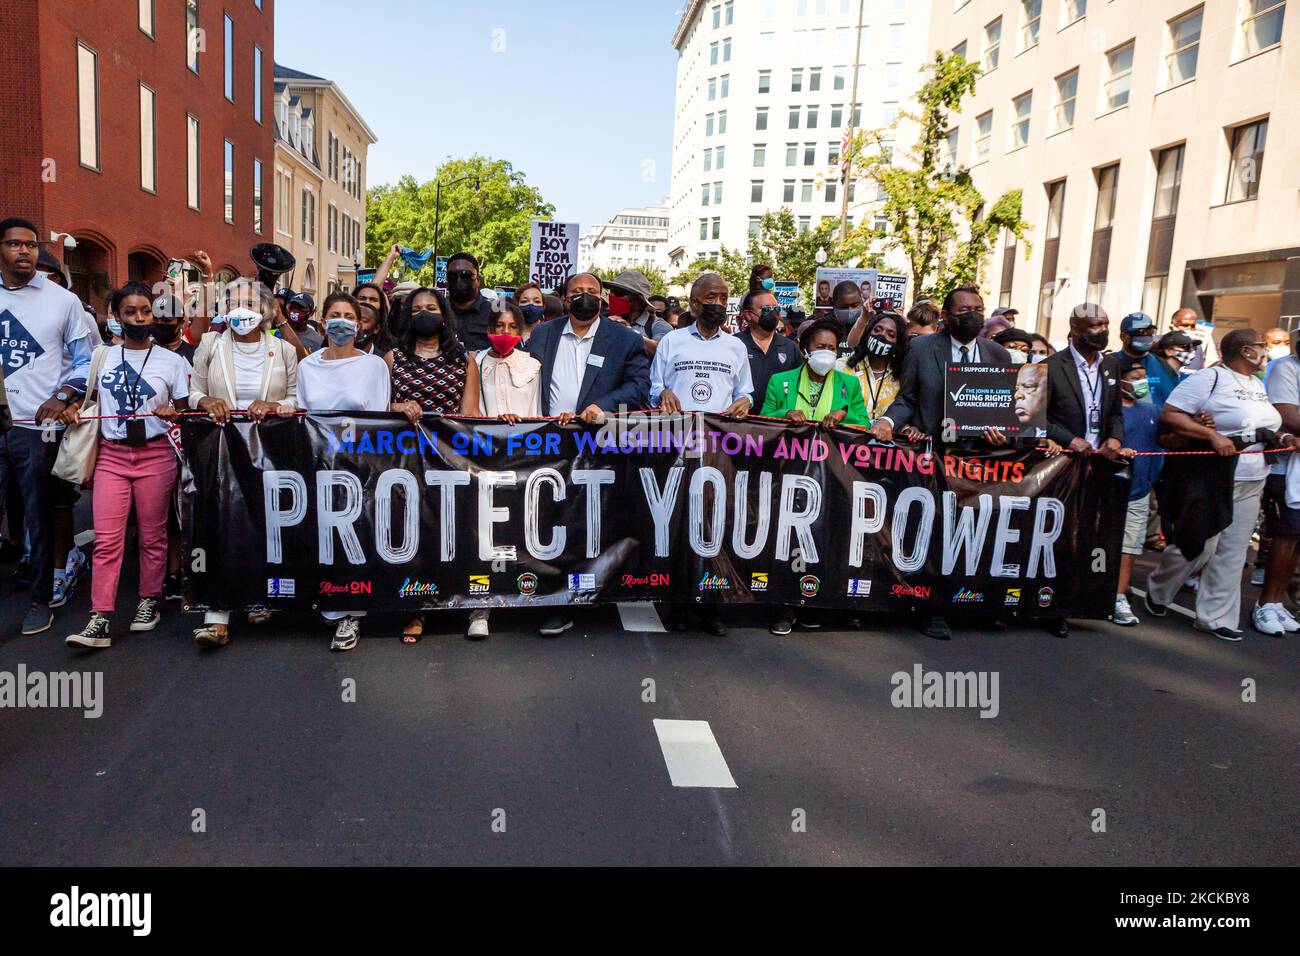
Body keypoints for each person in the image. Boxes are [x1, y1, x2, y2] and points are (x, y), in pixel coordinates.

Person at [869, 285, 1013, 641]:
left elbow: (1005, 411)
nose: (973, 315)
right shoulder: (922, 348)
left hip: (978, 462)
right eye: (964, 310)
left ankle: (977, 605)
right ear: (946, 316)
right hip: (933, 459)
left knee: (977, 534)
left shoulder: (998, 355)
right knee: (934, 533)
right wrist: (888, 422)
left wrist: (1003, 434)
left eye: (978, 308)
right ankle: (931, 609)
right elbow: (908, 398)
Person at [62, 283, 191, 649]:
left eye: (145, 312)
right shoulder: (102, 358)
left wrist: (173, 413)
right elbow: (87, 400)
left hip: (156, 456)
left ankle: (148, 601)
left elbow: (184, 413)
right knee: (106, 540)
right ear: (115, 316)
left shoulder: (172, 362)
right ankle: (99, 616)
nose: (139, 319)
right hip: (112, 456)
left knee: (153, 535)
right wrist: (73, 409)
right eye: (130, 312)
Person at [522, 272, 650, 638]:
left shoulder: (624, 339)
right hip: (547, 444)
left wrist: (603, 407)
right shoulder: (543, 335)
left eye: (591, 292)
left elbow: (638, 387)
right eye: (577, 292)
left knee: (587, 522)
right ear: (564, 299)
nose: (584, 297)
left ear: (602, 299)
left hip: (597, 447)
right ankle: (548, 594)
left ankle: (577, 598)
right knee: (546, 521)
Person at [1146, 330, 1288, 641]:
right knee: (1200, 542)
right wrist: (1212, 435)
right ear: (1245, 350)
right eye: (1262, 347)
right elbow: (1171, 414)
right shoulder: (1209, 378)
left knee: (1234, 551)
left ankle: (1215, 617)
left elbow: (1261, 424)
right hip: (1213, 475)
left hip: (1252, 476)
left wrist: (1282, 438)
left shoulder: (1256, 383)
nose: (1266, 352)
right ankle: (1159, 589)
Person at [188, 279, 299, 648]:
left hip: (271, 448)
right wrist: (206, 403)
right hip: (221, 448)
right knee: (221, 522)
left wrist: (273, 407)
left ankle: (258, 597)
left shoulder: (283, 350)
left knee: (264, 522)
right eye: (233, 301)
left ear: (267, 309)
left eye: (249, 301)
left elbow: (298, 399)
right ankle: (216, 616)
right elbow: (194, 391)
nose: (241, 308)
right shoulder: (210, 345)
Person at [0, 217, 93, 636]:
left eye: (31, 245)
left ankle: (40, 600)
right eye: (15, 244)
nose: (25, 251)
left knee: (38, 516)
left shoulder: (62, 301)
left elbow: (87, 361)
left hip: (34, 428)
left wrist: (63, 397)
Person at [650, 273, 751, 638]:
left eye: (724, 298)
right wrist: (662, 395)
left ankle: (712, 604)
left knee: (714, 523)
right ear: (694, 303)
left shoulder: (736, 347)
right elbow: (655, 387)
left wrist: (745, 401)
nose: (719, 304)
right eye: (712, 297)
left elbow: (746, 392)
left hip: (719, 448)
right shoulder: (672, 341)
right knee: (679, 521)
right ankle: (678, 602)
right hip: (677, 444)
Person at [298, 293, 393, 652]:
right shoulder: (308, 367)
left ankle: (353, 612)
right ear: (322, 322)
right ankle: (329, 602)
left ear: (359, 324)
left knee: (355, 532)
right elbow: (303, 413)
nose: (341, 321)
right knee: (325, 534)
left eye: (348, 316)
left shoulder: (374, 367)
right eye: (334, 315)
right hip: (319, 462)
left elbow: (380, 416)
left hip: (359, 464)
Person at [387, 288, 482, 641]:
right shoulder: (393, 358)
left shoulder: (464, 360)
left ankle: (456, 600)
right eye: (416, 309)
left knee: (451, 530)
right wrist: (397, 408)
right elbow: (380, 408)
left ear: (444, 314)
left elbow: (469, 413)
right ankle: (417, 608)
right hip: (404, 460)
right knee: (412, 532)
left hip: (449, 458)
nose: (423, 313)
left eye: (431, 308)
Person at [1112, 360, 1164, 626]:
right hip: (1107, 490)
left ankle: (1118, 596)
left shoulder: (1151, 410)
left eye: (1144, 376)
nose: (1142, 382)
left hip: (1139, 490)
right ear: (1119, 380)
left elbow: (1163, 442)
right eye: (1136, 376)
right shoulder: (1110, 411)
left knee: (1129, 546)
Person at [1255, 336, 1300, 635]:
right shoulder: (1286, 368)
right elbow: (1288, 416)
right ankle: (1265, 604)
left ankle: (1279, 604)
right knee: (1286, 535)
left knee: (1298, 537)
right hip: (1286, 468)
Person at [735, 288, 800, 409]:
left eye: (776, 309)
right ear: (748, 314)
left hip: (778, 421)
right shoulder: (734, 345)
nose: (773, 313)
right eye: (766, 309)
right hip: (741, 421)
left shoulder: (791, 347)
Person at [843, 310, 907, 421]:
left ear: (897, 344)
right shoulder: (844, 366)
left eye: (890, 334)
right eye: (877, 330)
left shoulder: (903, 377)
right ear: (868, 334)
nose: (882, 335)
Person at [604, 271, 672, 350]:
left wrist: (629, 332)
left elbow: (661, 352)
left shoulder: (658, 326)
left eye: (618, 293)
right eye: (611, 292)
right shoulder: (604, 319)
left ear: (638, 300)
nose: (612, 296)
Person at [442, 252, 493, 352]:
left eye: (466, 274)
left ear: (478, 280)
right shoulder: (437, 310)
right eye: (452, 275)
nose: (459, 280)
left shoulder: (495, 313)